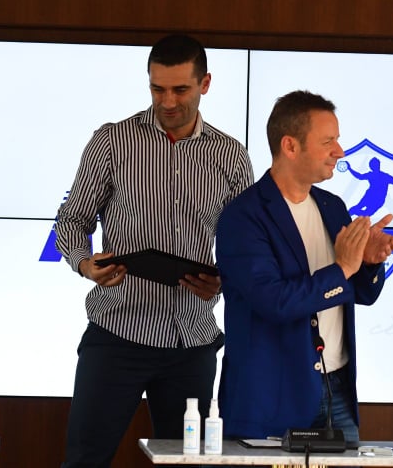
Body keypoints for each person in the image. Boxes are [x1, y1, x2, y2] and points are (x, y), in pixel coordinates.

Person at [55, 34, 254, 467]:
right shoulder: (113, 142)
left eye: (180, 89)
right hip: (116, 333)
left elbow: (247, 248)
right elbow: (71, 220)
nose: (167, 101)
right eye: (157, 88)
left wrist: (223, 282)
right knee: (84, 461)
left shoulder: (231, 157)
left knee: (189, 465)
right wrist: (85, 263)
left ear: (205, 84)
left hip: (192, 340)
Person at [215, 90, 393, 442]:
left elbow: (359, 293)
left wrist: (367, 263)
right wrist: (343, 267)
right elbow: (275, 302)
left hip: (337, 391)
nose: (340, 152)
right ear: (290, 146)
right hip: (271, 399)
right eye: (328, 141)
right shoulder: (242, 217)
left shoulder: (333, 206)